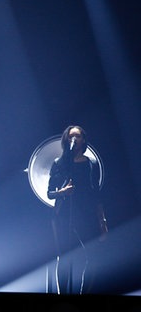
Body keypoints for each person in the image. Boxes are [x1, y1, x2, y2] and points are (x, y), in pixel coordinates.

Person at [47, 125, 108, 294]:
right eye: (70, 136)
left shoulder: (91, 163)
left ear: (83, 140)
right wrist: (63, 192)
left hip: (87, 214)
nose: (73, 139)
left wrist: (102, 220)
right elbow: (49, 193)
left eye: (77, 136)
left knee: (93, 256)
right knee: (65, 258)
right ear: (66, 140)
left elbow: (96, 193)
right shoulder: (59, 164)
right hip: (64, 215)